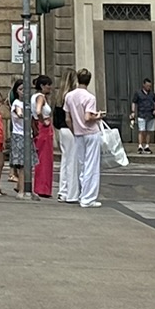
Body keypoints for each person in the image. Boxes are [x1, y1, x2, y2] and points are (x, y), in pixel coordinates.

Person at [61, 68, 104, 206]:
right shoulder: (90, 97)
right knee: (92, 165)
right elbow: (87, 117)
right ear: (89, 81)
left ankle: (82, 194)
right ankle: (88, 198)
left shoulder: (69, 96)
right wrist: (98, 116)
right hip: (91, 133)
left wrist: (74, 130)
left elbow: (67, 119)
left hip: (78, 133)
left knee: (82, 165)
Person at [29, 75, 56, 197]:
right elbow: (38, 110)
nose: (50, 87)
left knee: (40, 158)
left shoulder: (33, 97)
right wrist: (42, 120)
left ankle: (40, 186)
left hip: (37, 127)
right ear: (42, 86)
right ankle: (43, 188)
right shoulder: (41, 97)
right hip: (44, 128)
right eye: (48, 85)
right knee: (45, 159)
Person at [132, 78, 155, 155]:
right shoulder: (138, 93)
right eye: (147, 86)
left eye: (150, 86)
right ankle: (140, 146)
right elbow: (134, 102)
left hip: (150, 115)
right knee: (141, 130)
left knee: (149, 131)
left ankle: (147, 146)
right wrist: (133, 112)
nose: (148, 87)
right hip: (141, 114)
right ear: (143, 85)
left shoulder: (152, 94)